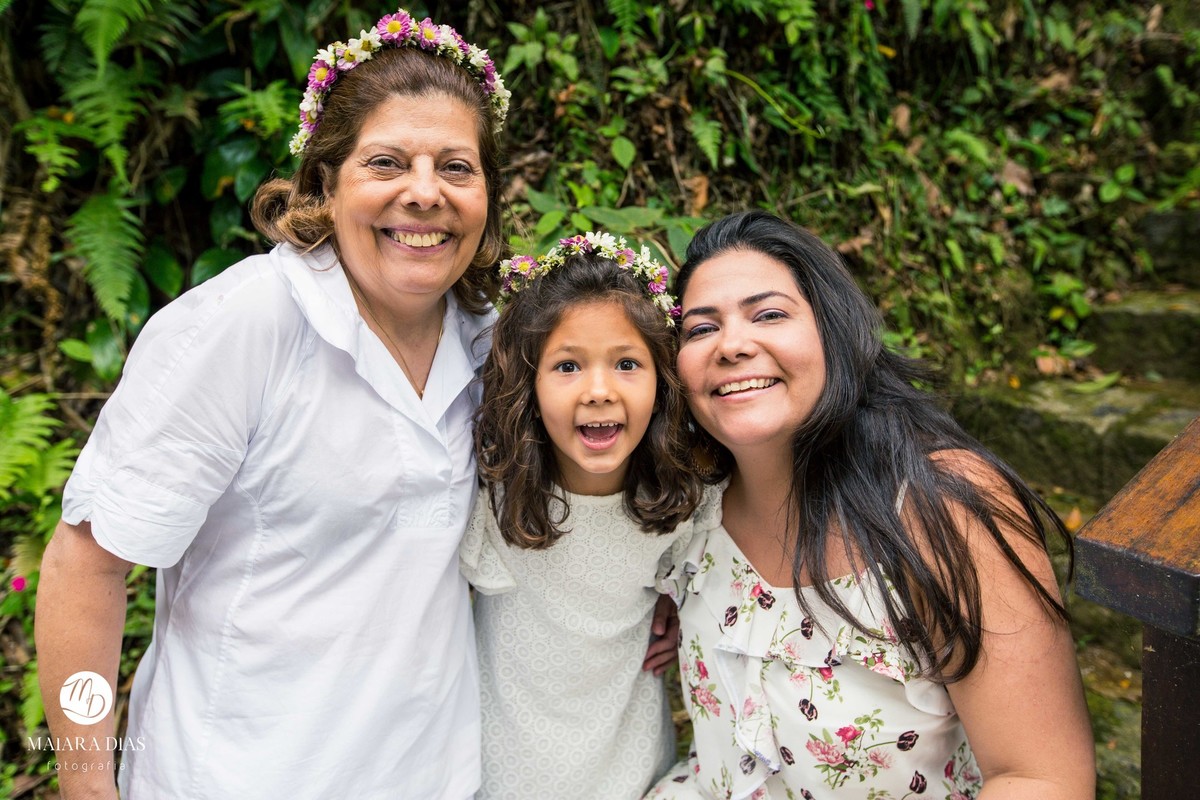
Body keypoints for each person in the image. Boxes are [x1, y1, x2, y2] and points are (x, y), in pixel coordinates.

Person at [35, 9, 511, 799]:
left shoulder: (489, 340)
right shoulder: (247, 323)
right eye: (387, 162)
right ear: (324, 181)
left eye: (456, 167)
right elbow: (87, 563)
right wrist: (85, 783)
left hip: (429, 779)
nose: (425, 193)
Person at [647, 211, 1095, 800]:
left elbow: (1042, 777)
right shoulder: (686, 511)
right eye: (701, 328)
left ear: (834, 331)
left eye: (770, 314)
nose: (731, 345)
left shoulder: (942, 506)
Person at [460, 233, 703, 799]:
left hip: (632, 770)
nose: (598, 391)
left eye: (627, 363)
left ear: (663, 380)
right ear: (529, 382)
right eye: (567, 365)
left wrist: (685, 611)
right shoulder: (492, 494)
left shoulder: (687, 496)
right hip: (506, 772)